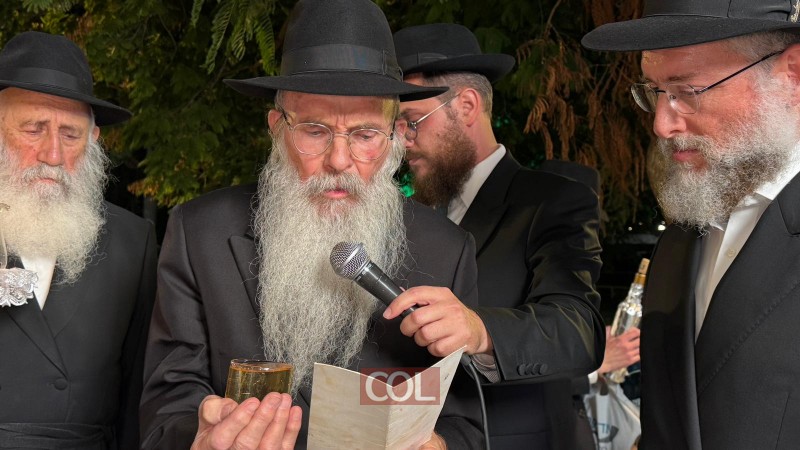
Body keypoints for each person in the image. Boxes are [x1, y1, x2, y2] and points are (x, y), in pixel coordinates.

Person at [139, 1, 484, 449]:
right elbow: (166, 411)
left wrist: (438, 446)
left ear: (394, 138)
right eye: (315, 131)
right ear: (277, 128)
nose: (339, 160)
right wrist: (202, 437)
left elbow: (467, 426)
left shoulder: (448, 251)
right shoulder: (199, 233)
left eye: (364, 135)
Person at [583, 1, 800, 448]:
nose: (661, 125)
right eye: (655, 92)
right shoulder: (686, 228)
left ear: (793, 76)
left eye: (689, 91)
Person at [390, 23, 605, 449]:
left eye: (411, 123)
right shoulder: (407, 216)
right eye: (393, 128)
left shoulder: (550, 201)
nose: (401, 143)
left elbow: (579, 330)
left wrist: (479, 329)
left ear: (467, 106)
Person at [0, 31, 156, 449]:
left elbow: (138, 397)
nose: (53, 154)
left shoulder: (133, 241)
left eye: (70, 134)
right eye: (33, 129)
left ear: (93, 141)